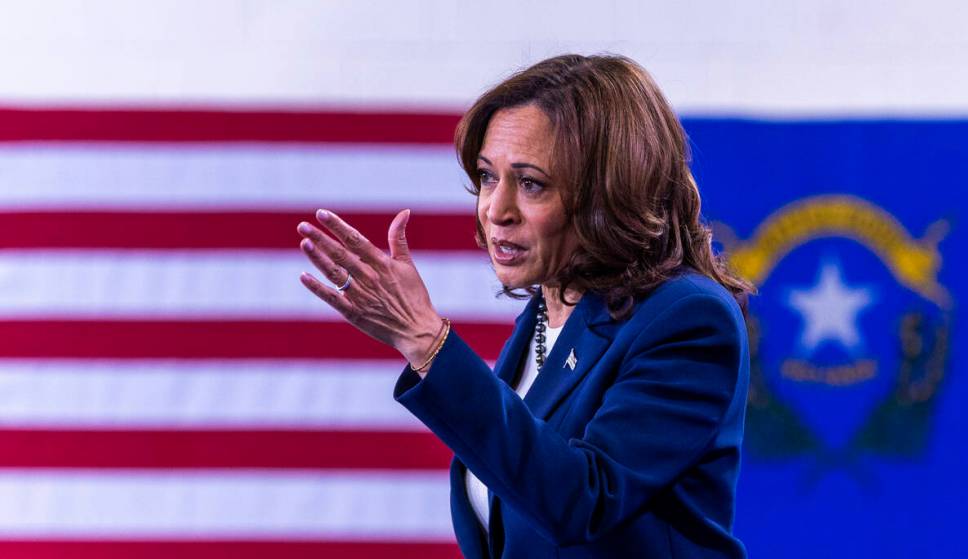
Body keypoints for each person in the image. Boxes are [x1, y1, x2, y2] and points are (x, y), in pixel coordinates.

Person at [297, 53, 753, 558]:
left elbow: (582, 500)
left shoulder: (688, 318)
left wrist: (427, 342)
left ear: (608, 192)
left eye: (531, 182)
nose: (496, 210)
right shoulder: (548, 311)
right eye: (489, 177)